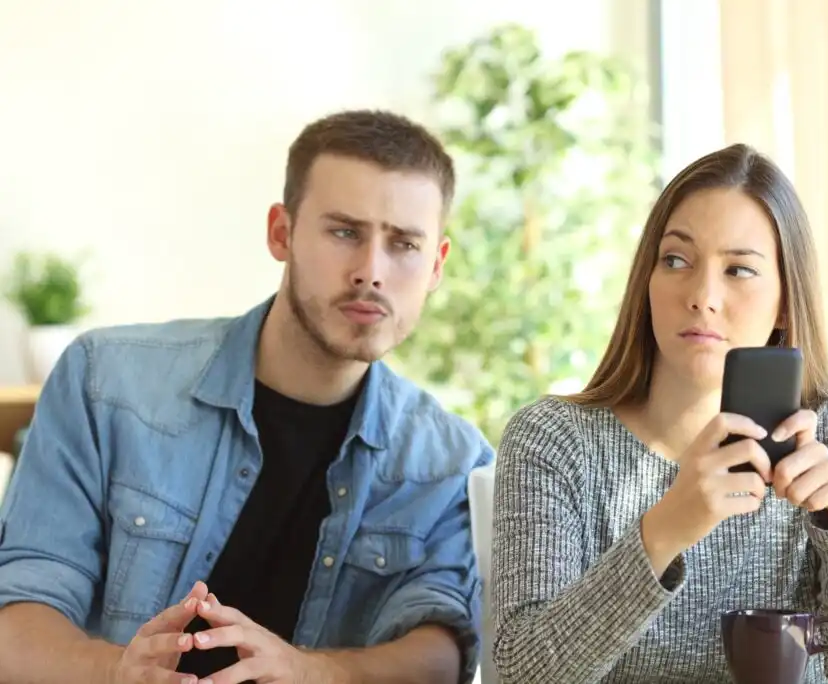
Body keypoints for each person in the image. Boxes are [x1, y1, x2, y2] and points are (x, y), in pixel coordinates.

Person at [0, 109, 493, 684]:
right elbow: (16, 620)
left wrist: (313, 673)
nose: (371, 272)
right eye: (344, 232)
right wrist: (118, 673)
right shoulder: (105, 382)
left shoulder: (453, 463)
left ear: (436, 265)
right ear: (280, 233)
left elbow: (445, 651)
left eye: (404, 244)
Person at [490, 144, 828, 683]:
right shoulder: (554, 441)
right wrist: (667, 527)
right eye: (676, 260)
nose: (702, 295)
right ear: (645, 282)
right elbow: (519, 674)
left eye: (739, 270)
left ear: (786, 302)